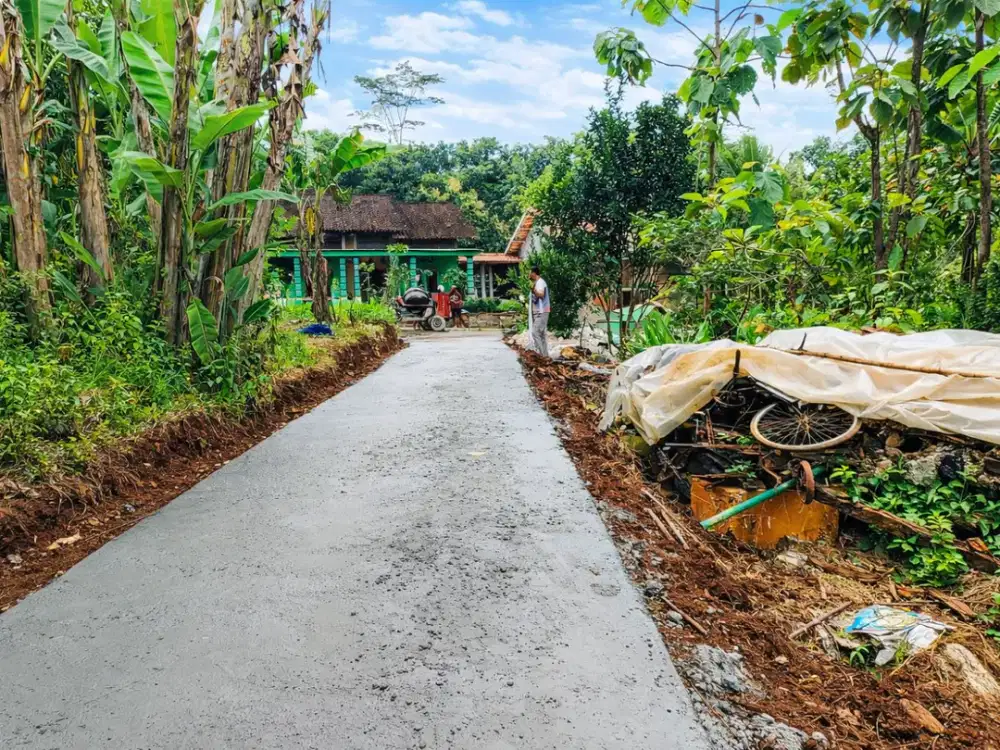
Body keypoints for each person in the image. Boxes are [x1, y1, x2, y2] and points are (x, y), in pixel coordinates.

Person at [529, 266, 550, 357]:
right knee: (541, 334)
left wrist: (534, 291)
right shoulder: (537, 283)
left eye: (530, 273)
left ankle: (542, 356)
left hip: (542, 311)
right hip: (540, 312)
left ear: (534, 273)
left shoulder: (540, 282)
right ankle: (545, 356)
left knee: (535, 332)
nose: (528, 275)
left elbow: (541, 294)